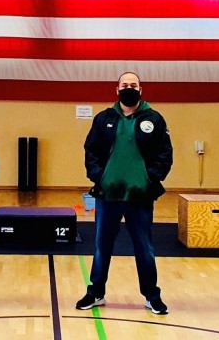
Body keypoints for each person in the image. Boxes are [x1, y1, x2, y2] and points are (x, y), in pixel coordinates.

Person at [76, 71, 173, 314]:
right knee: (102, 246)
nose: (129, 88)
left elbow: (165, 154)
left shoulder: (154, 119)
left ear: (141, 90)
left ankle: (152, 295)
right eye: (124, 85)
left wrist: (150, 179)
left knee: (144, 248)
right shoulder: (104, 119)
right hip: (108, 196)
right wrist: (100, 177)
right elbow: (91, 151)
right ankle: (95, 292)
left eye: (133, 85)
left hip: (139, 197)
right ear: (116, 90)